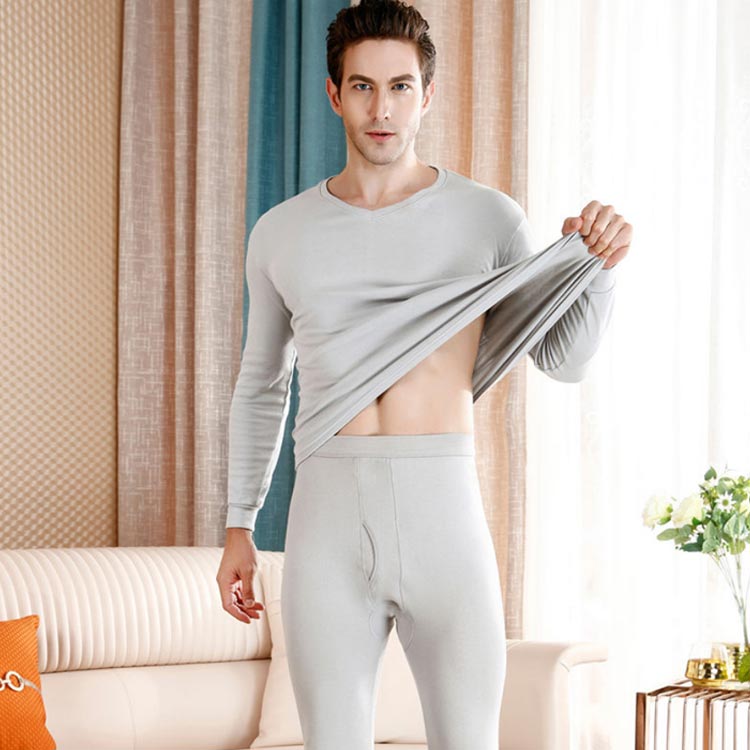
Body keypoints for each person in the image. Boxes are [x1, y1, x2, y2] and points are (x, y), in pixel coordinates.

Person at [216, 1, 632, 748]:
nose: (382, 110)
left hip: (445, 514)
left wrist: (597, 271)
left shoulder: (489, 219)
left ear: (427, 94)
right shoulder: (281, 232)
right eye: (364, 87)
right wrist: (238, 526)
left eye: (400, 87)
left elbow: (563, 361)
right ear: (334, 94)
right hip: (327, 524)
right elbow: (261, 385)